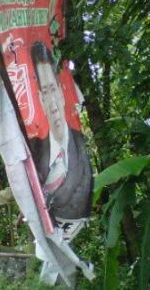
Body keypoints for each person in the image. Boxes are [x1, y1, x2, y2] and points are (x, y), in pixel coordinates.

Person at [29, 41, 93, 221]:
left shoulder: (80, 145)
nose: (53, 104)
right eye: (46, 93)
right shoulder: (33, 150)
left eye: (53, 90)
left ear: (62, 91)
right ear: (41, 99)